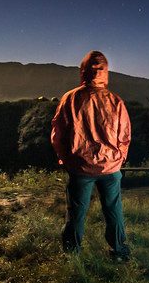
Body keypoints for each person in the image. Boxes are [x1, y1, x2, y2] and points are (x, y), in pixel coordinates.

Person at [50, 50, 132, 260]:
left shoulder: (70, 98)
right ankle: (119, 252)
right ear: (106, 72)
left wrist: (66, 159)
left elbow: (58, 134)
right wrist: (120, 158)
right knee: (113, 211)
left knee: (76, 213)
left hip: (80, 167)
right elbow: (125, 135)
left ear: (83, 71)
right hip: (110, 167)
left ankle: (72, 256)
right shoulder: (116, 101)